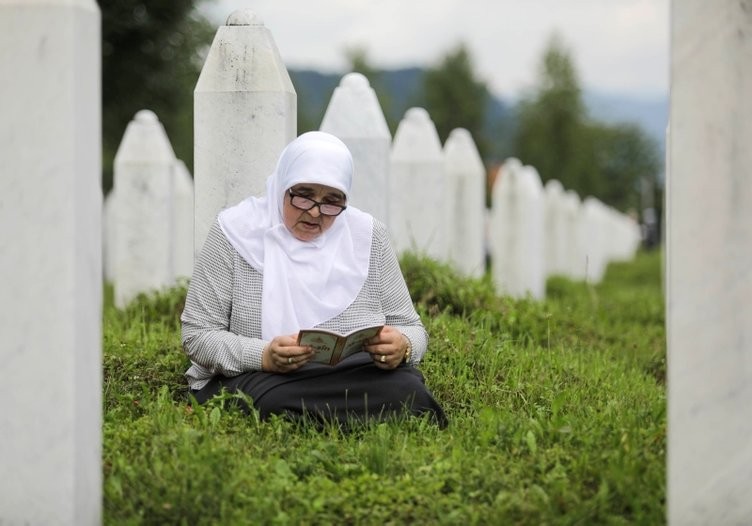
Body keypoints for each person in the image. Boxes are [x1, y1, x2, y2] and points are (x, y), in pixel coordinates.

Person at [181, 131, 447, 428]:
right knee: (273, 401)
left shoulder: (368, 236)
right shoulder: (234, 233)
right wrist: (265, 356)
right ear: (283, 186)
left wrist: (403, 346)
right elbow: (197, 335)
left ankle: (317, 417)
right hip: (265, 376)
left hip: (354, 372)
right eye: (304, 195)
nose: (316, 213)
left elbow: (412, 327)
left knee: (408, 391)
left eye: (332, 201)